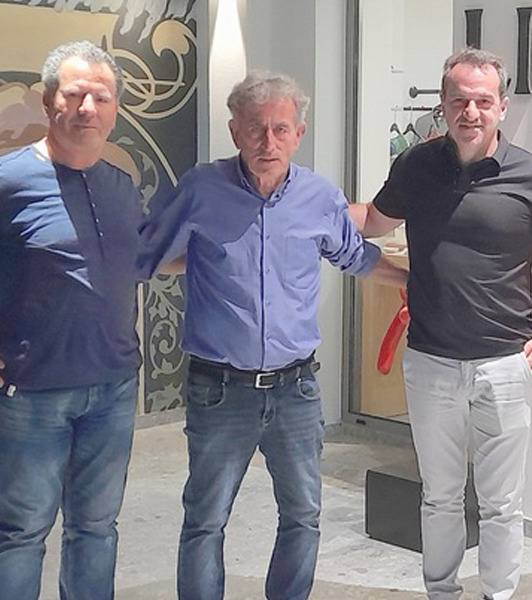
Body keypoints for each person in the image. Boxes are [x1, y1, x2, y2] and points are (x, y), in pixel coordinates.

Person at [137, 71, 407, 600]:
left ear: (298, 134)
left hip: (296, 390)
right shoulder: (201, 189)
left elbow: (355, 256)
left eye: (281, 129)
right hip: (220, 390)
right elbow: (147, 254)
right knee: (205, 519)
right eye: (256, 128)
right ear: (235, 131)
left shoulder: (319, 197)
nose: (268, 141)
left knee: (303, 515)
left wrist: (411, 282)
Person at [0, 41, 143, 600]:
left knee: (97, 527)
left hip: (112, 389)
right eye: (75, 95)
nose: (87, 108)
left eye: (101, 97)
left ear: (114, 110)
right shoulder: (3, 181)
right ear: (48, 101)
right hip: (29, 394)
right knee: (21, 532)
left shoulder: (120, 185)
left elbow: (142, 256)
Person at [350, 48, 532, 600]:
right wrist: (304, 207)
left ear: (502, 106)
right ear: (444, 104)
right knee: (440, 497)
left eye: (482, 101)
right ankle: (442, 592)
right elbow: (373, 221)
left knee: (502, 504)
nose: (470, 112)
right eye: (459, 101)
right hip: (430, 361)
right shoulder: (416, 166)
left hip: (506, 364)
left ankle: (498, 595)